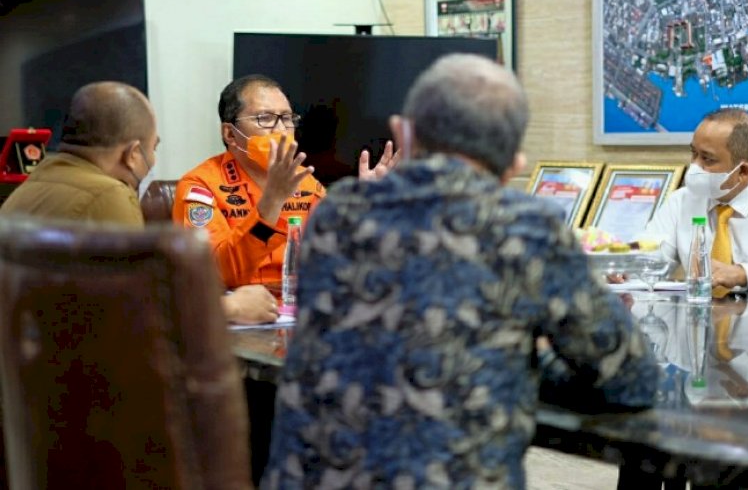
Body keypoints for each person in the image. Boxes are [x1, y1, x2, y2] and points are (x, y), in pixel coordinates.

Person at [263, 54, 659, 489]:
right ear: (514, 163)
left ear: (403, 132)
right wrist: (527, 358)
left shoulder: (334, 215)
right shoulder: (525, 225)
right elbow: (632, 378)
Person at [0, 81, 278, 324]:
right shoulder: (107, 195)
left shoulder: (35, 182)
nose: (153, 160)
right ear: (133, 154)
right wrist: (234, 306)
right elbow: (142, 306)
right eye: (153, 148)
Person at [172, 74, 398, 289]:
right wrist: (273, 200)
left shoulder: (305, 182)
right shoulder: (200, 187)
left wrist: (366, 206)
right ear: (230, 134)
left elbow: (340, 255)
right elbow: (216, 274)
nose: (281, 130)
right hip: (238, 314)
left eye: (287, 118)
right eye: (266, 118)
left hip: (296, 308)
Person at [646, 108, 748, 291]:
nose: (695, 167)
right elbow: (651, 255)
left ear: (742, 172)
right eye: (693, 154)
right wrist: (629, 269)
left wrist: (741, 274)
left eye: (707, 159)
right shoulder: (681, 200)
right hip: (698, 316)